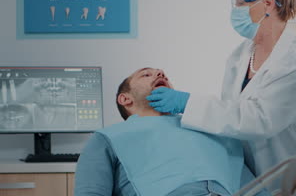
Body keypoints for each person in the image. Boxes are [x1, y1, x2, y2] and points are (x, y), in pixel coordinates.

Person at [146, 0, 296, 193]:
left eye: (240, 3)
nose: (235, 11)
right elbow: (231, 119)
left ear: (267, 3)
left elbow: (258, 120)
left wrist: (188, 104)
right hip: (256, 181)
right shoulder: (240, 57)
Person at [74, 67, 267, 196]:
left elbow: (253, 188)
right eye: (146, 75)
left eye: (163, 74)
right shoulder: (108, 138)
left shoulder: (209, 128)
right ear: (125, 99)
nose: (159, 73)